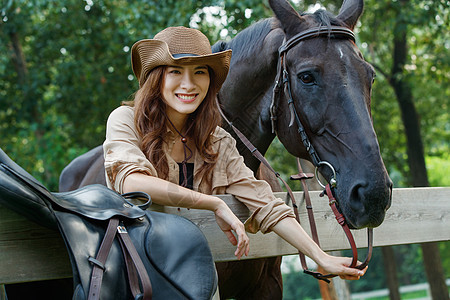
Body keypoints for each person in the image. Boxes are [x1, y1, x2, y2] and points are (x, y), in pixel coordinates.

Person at [103, 26, 367, 283]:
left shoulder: (217, 141)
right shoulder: (126, 120)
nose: (189, 83)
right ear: (156, 77)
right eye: (175, 71)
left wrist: (319, 256)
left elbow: (265, 203)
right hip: (141, 274)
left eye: (199, 72)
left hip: (195, 279)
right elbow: (131, 182)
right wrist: (214, 203)